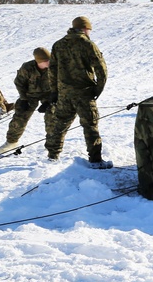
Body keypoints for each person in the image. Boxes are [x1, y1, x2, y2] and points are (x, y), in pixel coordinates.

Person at [46, 16, 111, 168]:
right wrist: (97, 89)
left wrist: (54, 92)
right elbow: (102, 69)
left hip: (64, 94)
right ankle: (95, 160)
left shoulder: (58, 45)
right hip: (84, 93)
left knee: (60, 124)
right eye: (89, 29)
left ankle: (52, 156)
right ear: (85, 29)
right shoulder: (87, 44)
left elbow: (52, 71)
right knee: (90, 125)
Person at [0, 48, 53, 154]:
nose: (49, 62)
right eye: (46, 61)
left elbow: (60, 84)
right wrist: (23, 99)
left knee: (53, 115)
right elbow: (19, 83)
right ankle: (11, 142)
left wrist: (50, 101)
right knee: (20, 116)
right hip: (30, 95)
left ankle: (53, 144)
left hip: (49, 94)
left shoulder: (55, 67)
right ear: (38, 61)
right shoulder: (27, 67)